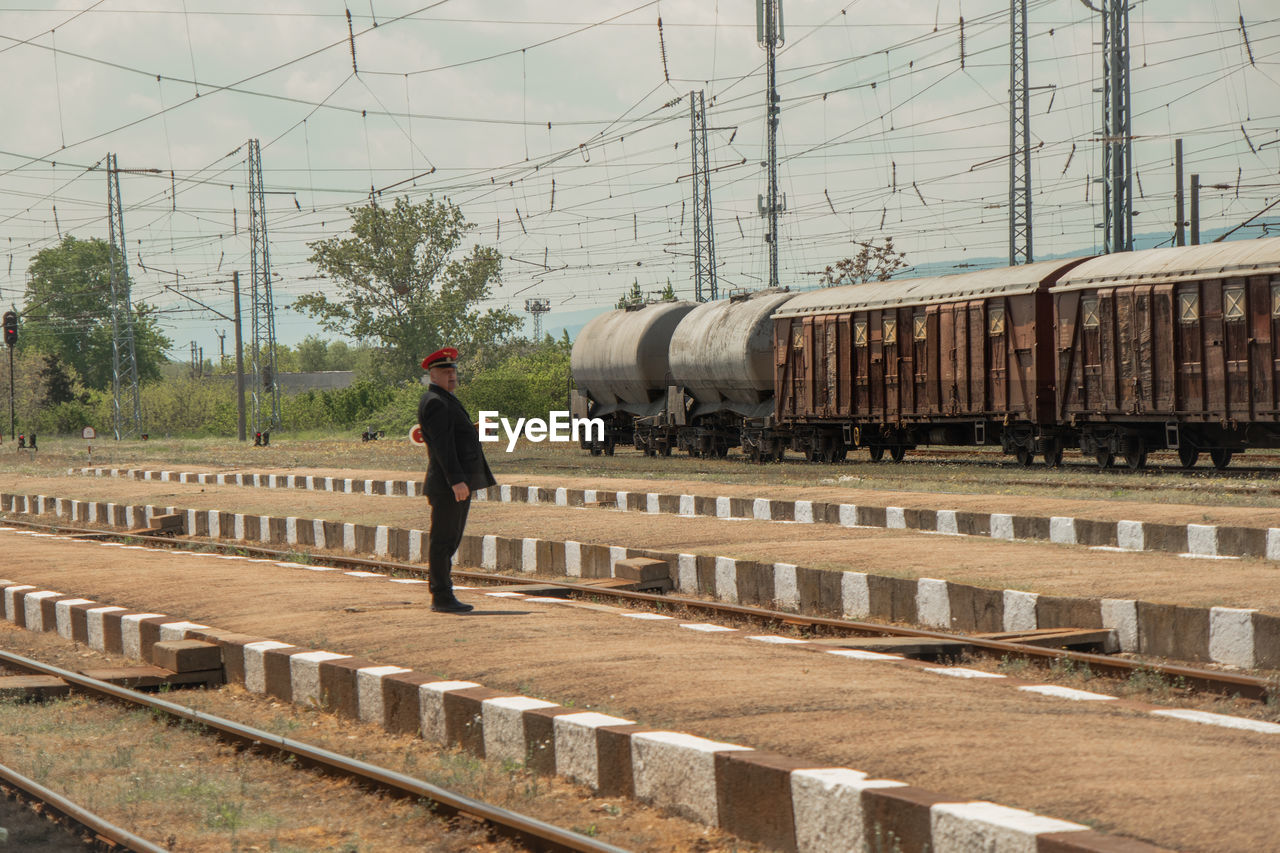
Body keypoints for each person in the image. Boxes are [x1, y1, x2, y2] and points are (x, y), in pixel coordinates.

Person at [417, 346, 496, 613]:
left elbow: (453, 437)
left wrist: (474, 430)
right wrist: (456, 481)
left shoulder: (445, 399)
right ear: (432, 374)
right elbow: (443, 447)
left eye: (453, 370)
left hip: (456, 482)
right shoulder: (436, 403)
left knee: (449, 540)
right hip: (449, 485)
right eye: (445, 371)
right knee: (443, 541)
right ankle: (441, 596)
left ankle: (443, 593)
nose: (451, 375)